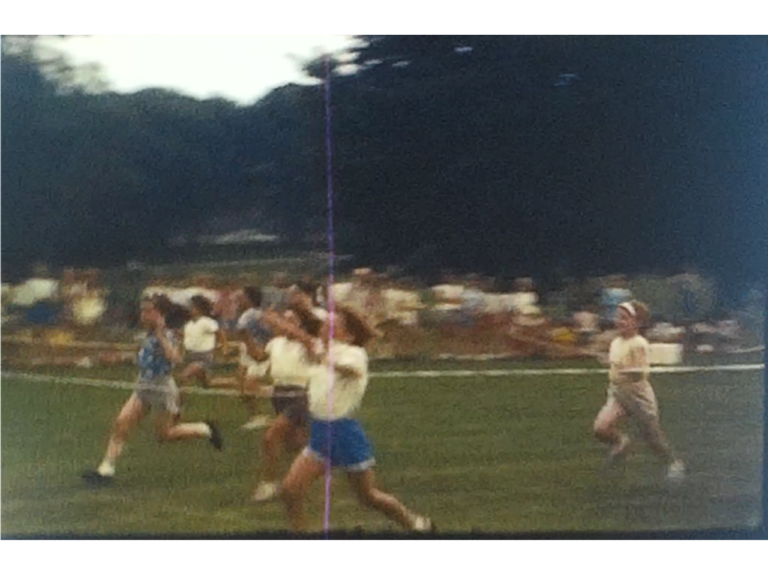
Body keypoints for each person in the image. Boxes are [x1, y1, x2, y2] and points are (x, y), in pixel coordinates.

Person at [265, 306, 435, 533]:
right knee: (290, 491)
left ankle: (415, 523)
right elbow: (302, 336)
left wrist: (324, 359)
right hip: (320, 432)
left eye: (331, 324)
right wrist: (275, 321)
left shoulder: (353, 353)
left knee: (368, 496)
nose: (324, 327)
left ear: (348, 335)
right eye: (325, 323)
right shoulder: (321, 347)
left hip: (344, 433)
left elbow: (351, 370)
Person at [82, 296, 223, 486]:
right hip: (143, 385)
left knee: (165, 434)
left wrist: (160, 334)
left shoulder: (169, 334)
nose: (143, 315)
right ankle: (105, 471)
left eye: (148, 311)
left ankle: (206, 429)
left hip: (161, 388)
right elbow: (143, 357)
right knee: (121, 424)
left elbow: (175, 359)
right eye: (143, 311)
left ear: (159, 314)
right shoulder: (147, 334)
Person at [593, 301, 686, 483]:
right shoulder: (616, 342)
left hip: (638, 396)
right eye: (618, 317)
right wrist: (603, 357)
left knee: (652, 437)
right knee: (600, 428)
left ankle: (673, 463)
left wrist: (618, 367)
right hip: (618, 393)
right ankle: (621, 442)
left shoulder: (639, 344)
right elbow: (613, 364)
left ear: (637, 322)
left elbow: (641, 373)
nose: (619, 321)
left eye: (625, 318)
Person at [252, 310, 314, 504]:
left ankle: (269, 483)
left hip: (299, 396)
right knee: (294, 443)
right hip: (279, 395)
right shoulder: (275, 342)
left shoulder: (307, 343)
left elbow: (308, 344)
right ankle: (319, 459)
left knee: (270, 437)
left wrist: (278, 321)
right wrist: (245, 339)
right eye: (284, 319)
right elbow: (260, 357)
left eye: (291, 320)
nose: (285, 324)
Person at [237, 287, 275, 431]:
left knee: (249, 385)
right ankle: (255, 416)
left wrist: (255, 351)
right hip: (246, 353)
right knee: (242, 387)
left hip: (255, 353)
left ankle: (280, 393)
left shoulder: (252, 315)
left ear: (249, 299)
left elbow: (244, 332)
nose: (238, 300)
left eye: (241, 297)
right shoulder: (248, 314)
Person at [181, 296, 225, 390]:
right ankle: (231, 382)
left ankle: (181, 399)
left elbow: (219, 333)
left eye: (192, 307)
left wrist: (221, 346)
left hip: (203, 356)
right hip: (191, 355)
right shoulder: (189, 324)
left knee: (185, 375)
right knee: (207, 383)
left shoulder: (207, 322)